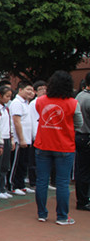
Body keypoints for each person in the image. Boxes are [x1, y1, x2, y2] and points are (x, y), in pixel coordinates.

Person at [34, 71, 82, 224]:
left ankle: (42, 214)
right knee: (62, 182)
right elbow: (79, 123)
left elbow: (40, 114)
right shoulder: (73, 103)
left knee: (42, 181)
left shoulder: (40, 101)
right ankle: (62, 216)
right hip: (64, 146)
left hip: (43, 144)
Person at [9, 81, 36, 195]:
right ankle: (13, 185)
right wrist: (21, 139)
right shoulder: (17, 103)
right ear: (20, 90)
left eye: (32, 90)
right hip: (19, 139)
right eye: (28, 89)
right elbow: (17, 122)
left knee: (24, 163)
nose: (30, 92)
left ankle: (21, 185)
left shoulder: (26, 103)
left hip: (27, 139)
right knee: (17, 163)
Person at [0, 85, 15, 200]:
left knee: (5, 166)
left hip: (7, 138)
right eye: (7, 96)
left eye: (10, 96)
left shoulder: (6, 109)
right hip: (0, 139)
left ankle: (2, 187)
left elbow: (10, 124)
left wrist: (11, 138)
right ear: (0, 96)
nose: (8, 99)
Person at [75, 73, 90, 211]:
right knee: (85, 171)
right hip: (86, 136)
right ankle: (84, 200)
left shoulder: (79, 96)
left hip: (80, 136)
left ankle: (83, 199)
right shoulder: (88, 98)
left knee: (82, 169)